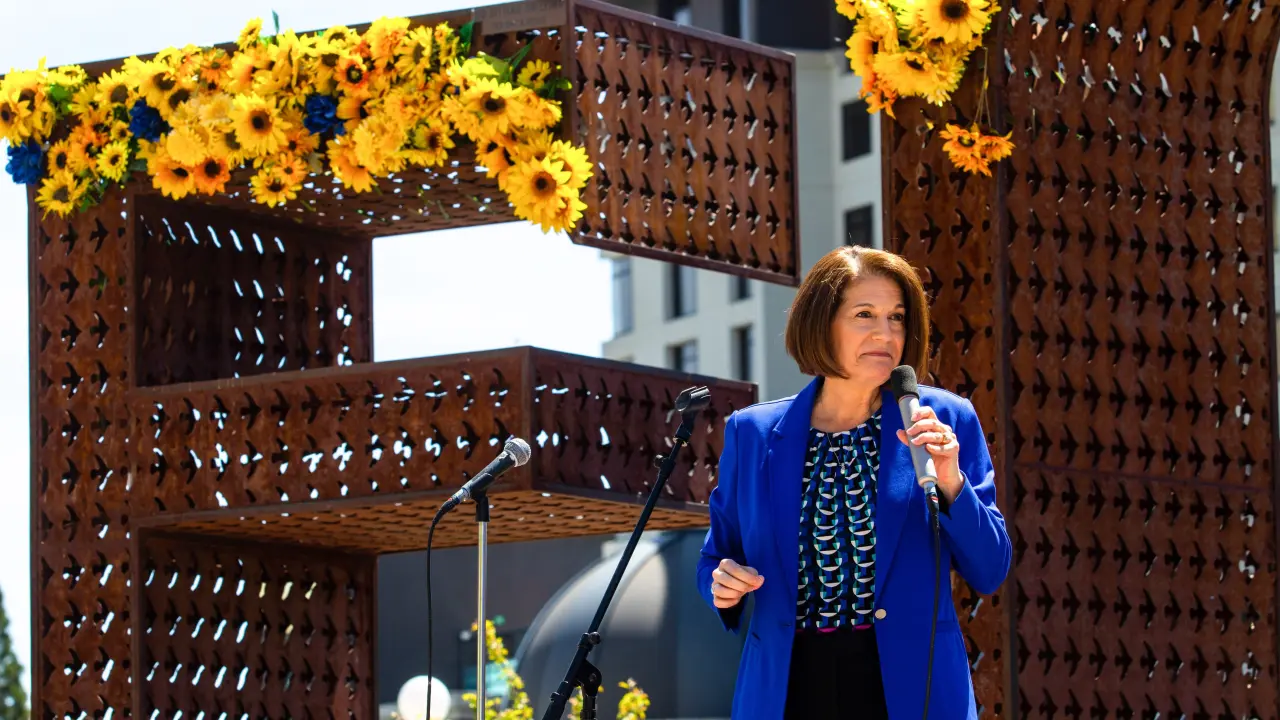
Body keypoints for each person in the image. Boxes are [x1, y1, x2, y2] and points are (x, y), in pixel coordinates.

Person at [696, 246, 1011, 720]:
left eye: (897, 317)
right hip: (788, 686)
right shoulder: (753, 433)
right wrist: (721, 584)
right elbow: (715, 557)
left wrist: (952, 482)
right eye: (865, 314)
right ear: (821, 323)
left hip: (909, 688)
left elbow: (989, 568)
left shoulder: (945, 419)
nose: (886, 333)